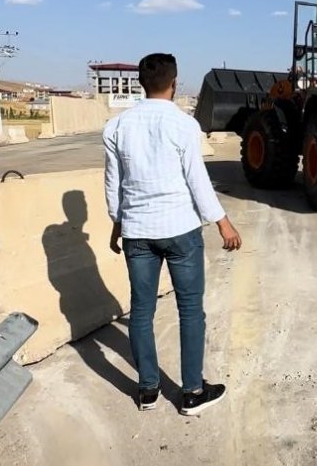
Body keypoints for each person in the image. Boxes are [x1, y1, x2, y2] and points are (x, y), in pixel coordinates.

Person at [102, 52, 242, 416]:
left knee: (142, 311)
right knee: (191, 310)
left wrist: (117, 223)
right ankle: (192, 392)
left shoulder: (117, 127)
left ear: (140, 83)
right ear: (175, 82)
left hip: (137, 232)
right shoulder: (184, 125)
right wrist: (222, 221)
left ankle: (147, 390)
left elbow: (114, 184)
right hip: (180, 230)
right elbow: (197, 181)